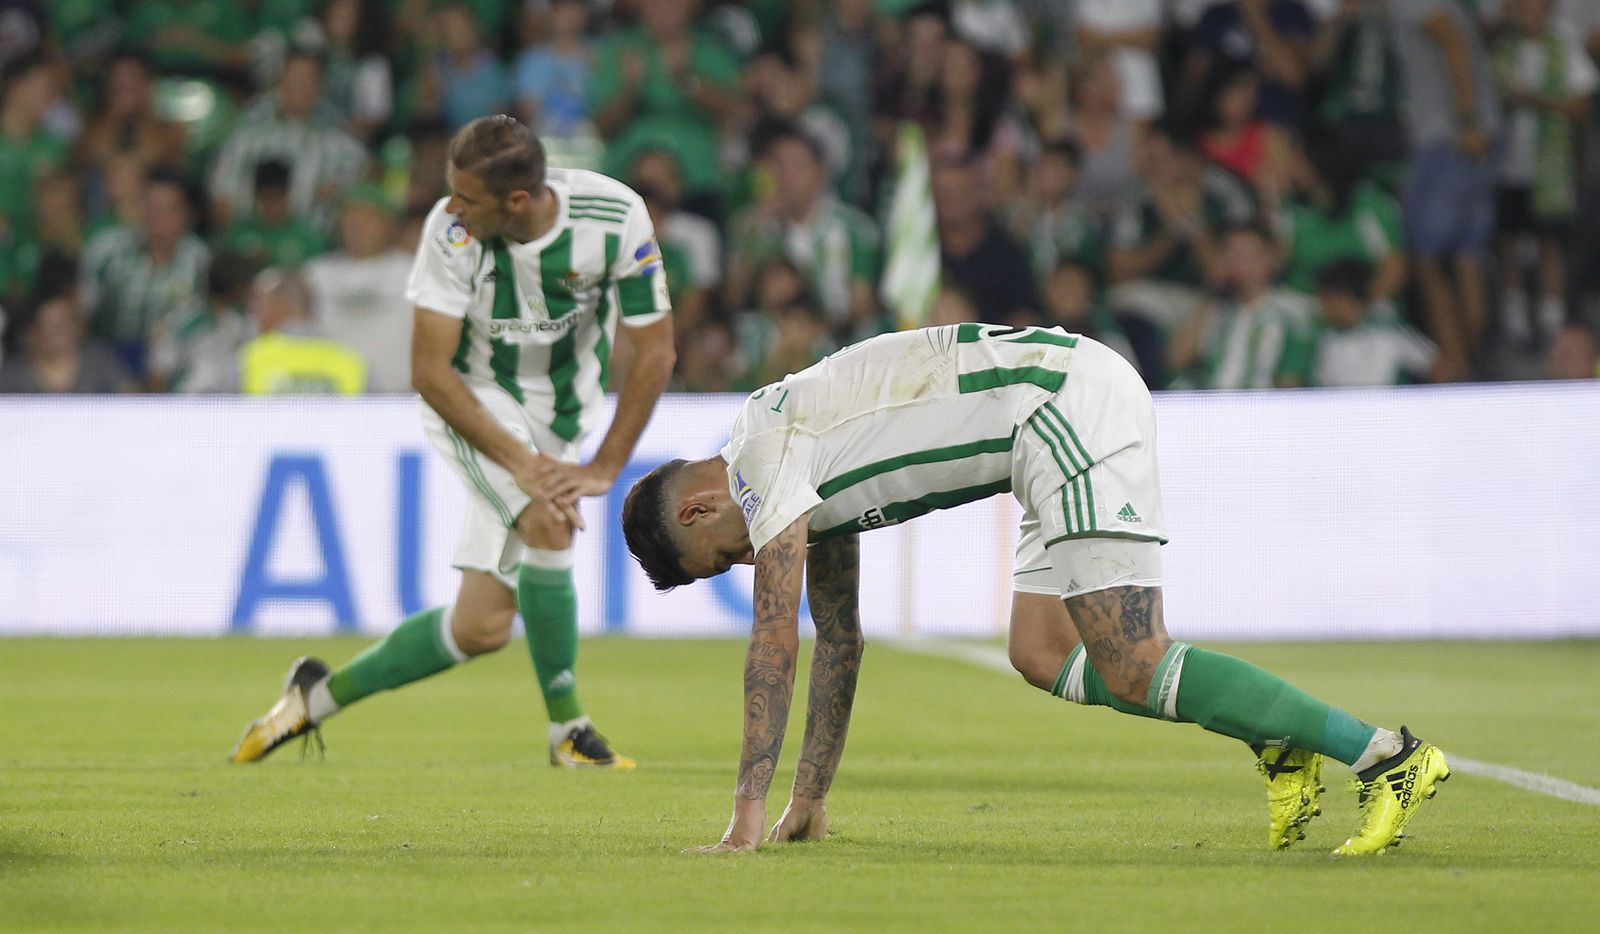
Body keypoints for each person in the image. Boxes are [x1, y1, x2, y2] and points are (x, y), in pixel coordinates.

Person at [620, 321, 1449, 856]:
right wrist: (806, 799)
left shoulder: (762, 459)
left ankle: (1389, 757)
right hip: (1039, 430)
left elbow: (773, 642)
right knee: (1041, 652)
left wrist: (743, 822)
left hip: (1060, 411)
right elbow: (837, 638)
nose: (744, 563)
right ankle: (1275, 738)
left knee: (1131, 659)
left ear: (697, 509)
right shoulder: (790, 461)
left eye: (719, 557)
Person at [232, 115, 676, 770]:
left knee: (480, 629)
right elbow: (430, 371)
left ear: (517, 201)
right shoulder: (450, 233)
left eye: (468, 198)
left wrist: (607, 463)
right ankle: (569, 733)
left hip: (560, 415)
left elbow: (655, 350)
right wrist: (527, 466)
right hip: (472, 402)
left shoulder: (615, 217)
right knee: (550, 518)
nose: (451, 207)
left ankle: (313, 698)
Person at [303, 184, 414, 393]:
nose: (356, 225)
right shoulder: (314, 276)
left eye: (367, 217)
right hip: (331, 401)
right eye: (349, 217)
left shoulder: (415, 272)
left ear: (390, 224)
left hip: (396, 403)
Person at [1310, 259, 1438, 387]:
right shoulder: (1322, 336)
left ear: (1343, 297)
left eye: (1324, 298)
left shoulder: (1388, 330)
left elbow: (1441, 370)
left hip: (1389, 405)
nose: (1320, 306)